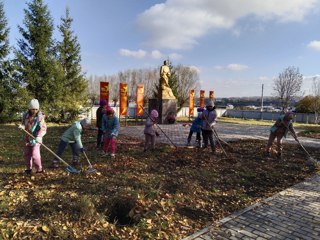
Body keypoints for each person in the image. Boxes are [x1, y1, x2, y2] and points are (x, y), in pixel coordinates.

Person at [20, 99, 47, 174]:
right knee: (27, 154)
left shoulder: (40, 117)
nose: (34, 111)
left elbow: (43, 128)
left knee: (35, 155)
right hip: (27, 138)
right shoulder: (25, 115)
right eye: (33, 109)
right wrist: (22, 126)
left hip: (36, 138)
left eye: (36, 109)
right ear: (29, 108)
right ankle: (28, 169)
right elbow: (23, 123)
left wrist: (39, 136)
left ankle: (39, 170)